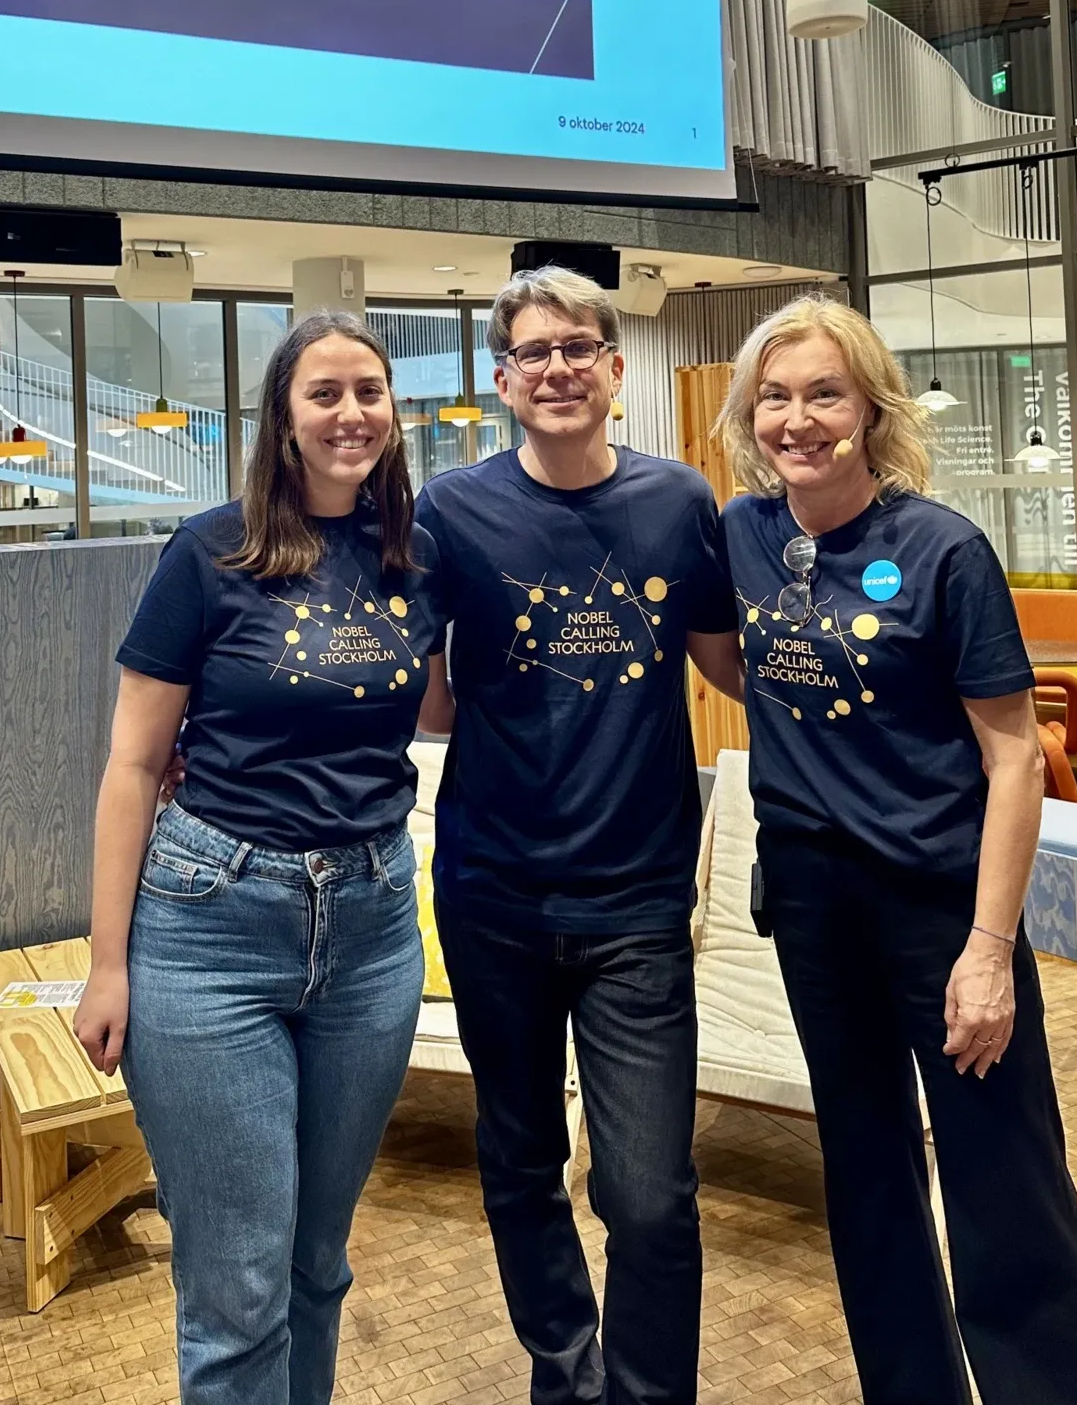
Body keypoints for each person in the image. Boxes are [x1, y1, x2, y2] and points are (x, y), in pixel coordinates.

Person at [714, 296, 1077, 1405]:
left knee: (1006, 1179)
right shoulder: (745, 535)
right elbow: (739, 663)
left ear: (869, 406)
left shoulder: (942, 547)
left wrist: (989, 948)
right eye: (776, 395)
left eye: (824, 393)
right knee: (866, 1173)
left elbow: (1014, 759)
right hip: (811, 902)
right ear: (749, 411)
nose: (798, 417)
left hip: (940, 905)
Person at [75, 310, 440, 1405]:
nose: (350, 412)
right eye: (324, 393)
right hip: (210, 922)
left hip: (373, 926)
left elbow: (437, 703)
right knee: (237, 1289)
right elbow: (134, 764)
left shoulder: (417, 555)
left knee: (315, 1265)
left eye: (368, 391)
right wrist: (108, 962)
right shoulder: (211, 550)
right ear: (283, 419)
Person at [416, 265, 742, 1405]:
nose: (558, 367)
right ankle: (567, 1372)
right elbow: (420, 688)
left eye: (579, 347)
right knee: (517, 1162)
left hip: (639, 898)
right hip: (494, 892)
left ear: (615, 368)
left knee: (652, 1190)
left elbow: (726, 663)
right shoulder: (450, 511)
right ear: (502, 381)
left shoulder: (678, 500)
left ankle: (648, 1393)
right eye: (533, 353)